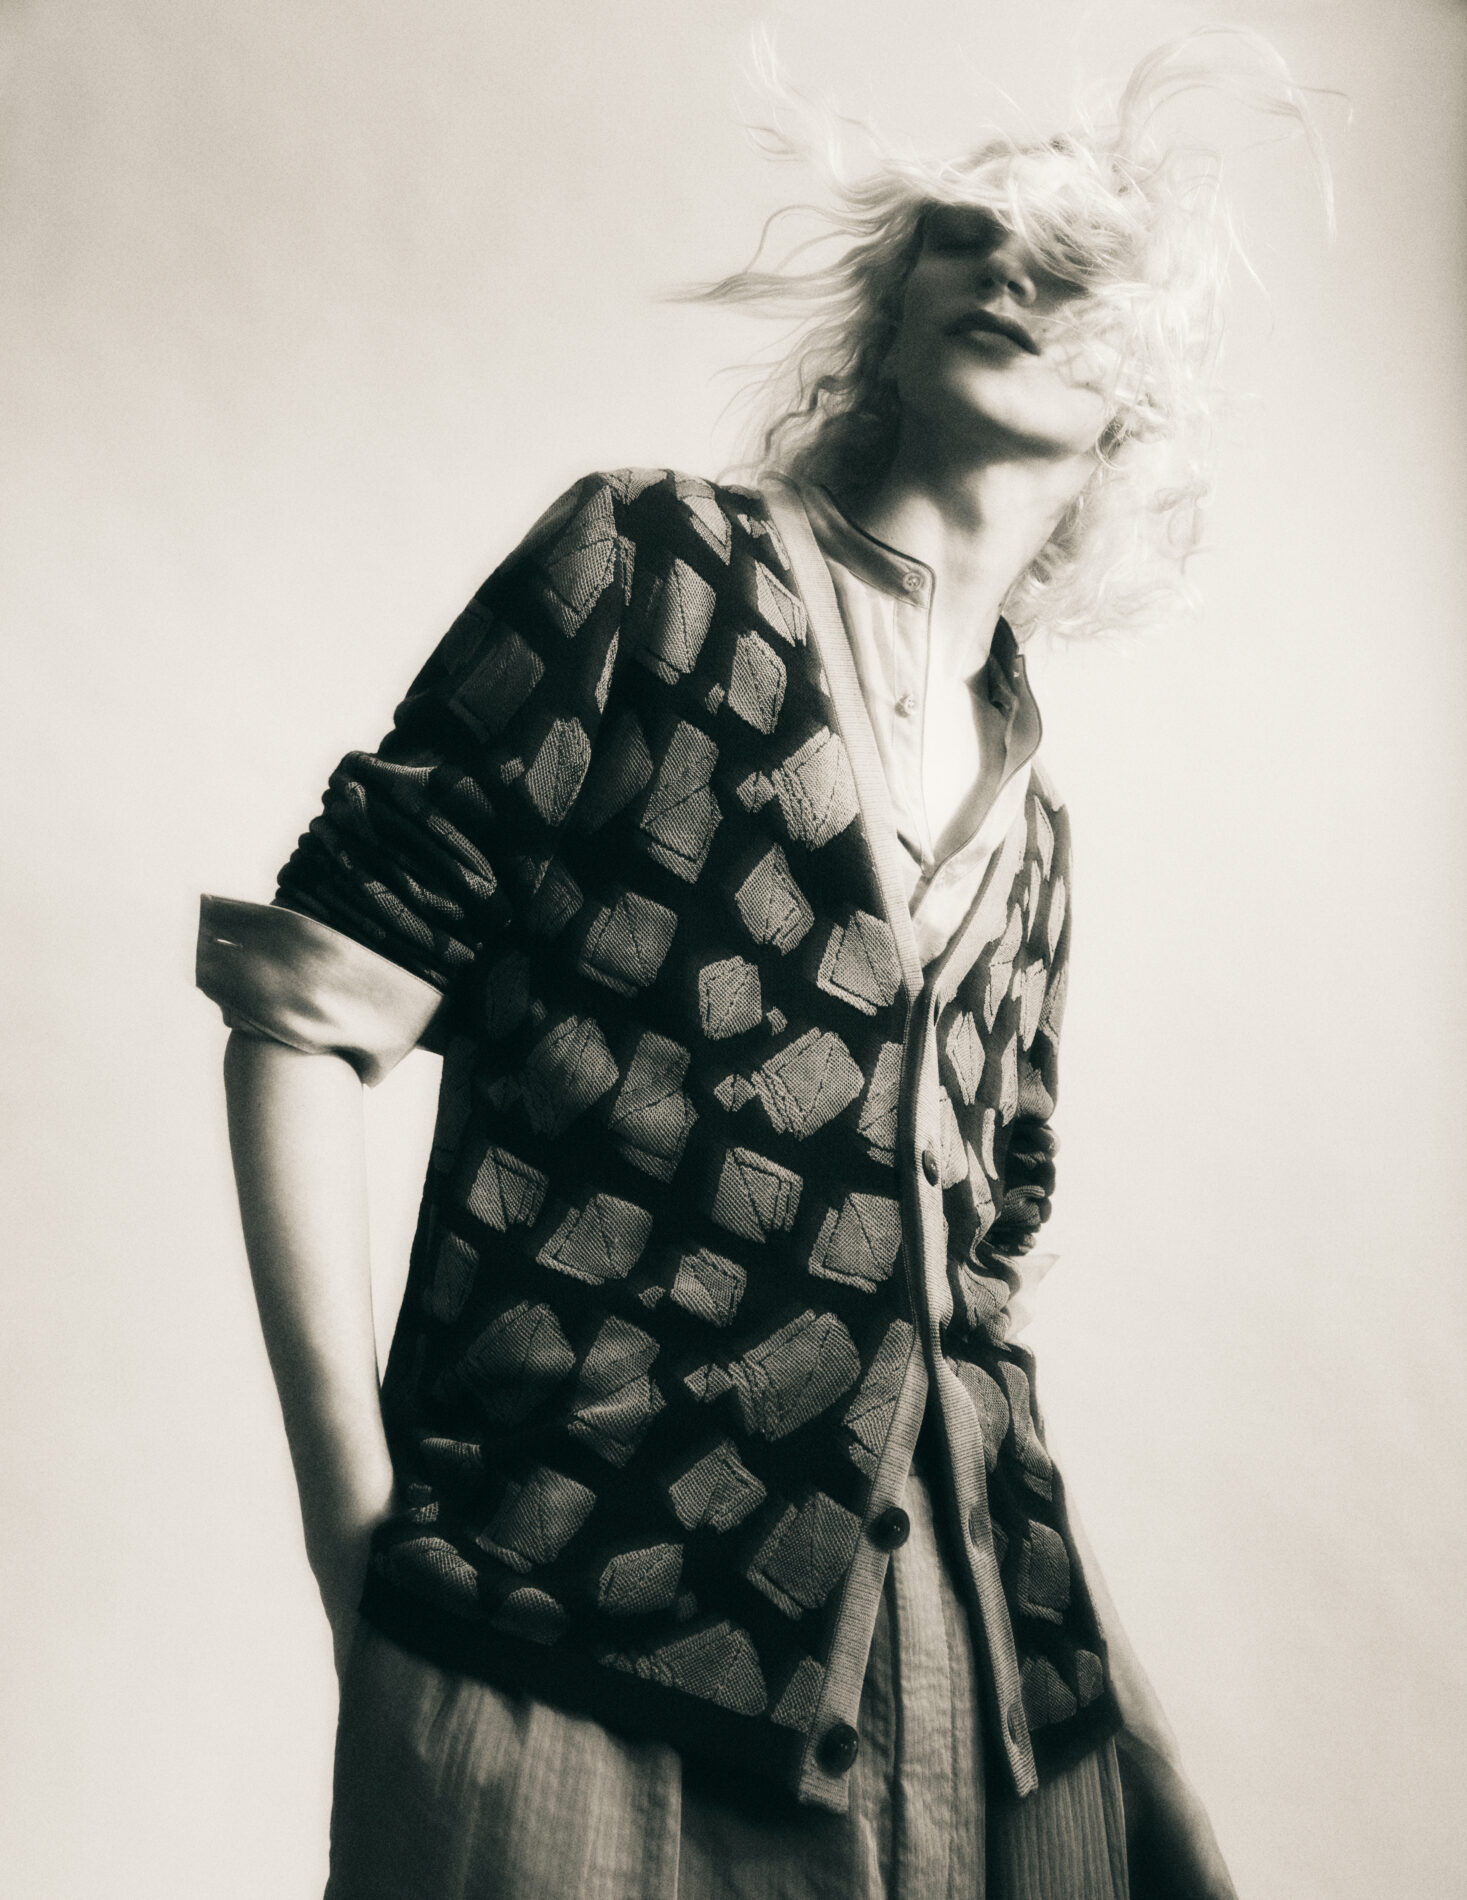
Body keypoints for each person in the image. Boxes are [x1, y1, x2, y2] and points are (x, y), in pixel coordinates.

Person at [198, 35, 1315, 1900]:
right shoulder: (653, 566)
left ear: (1144, 399)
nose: (1009, 266)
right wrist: (354, 1536)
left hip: (981, 1714)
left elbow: (967, 1338)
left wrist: (1142, 1763)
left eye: (1072, 258)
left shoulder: (1039, 834)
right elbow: (308, 1011)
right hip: (565, 1627)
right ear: (887, 315)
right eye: (966, 234)